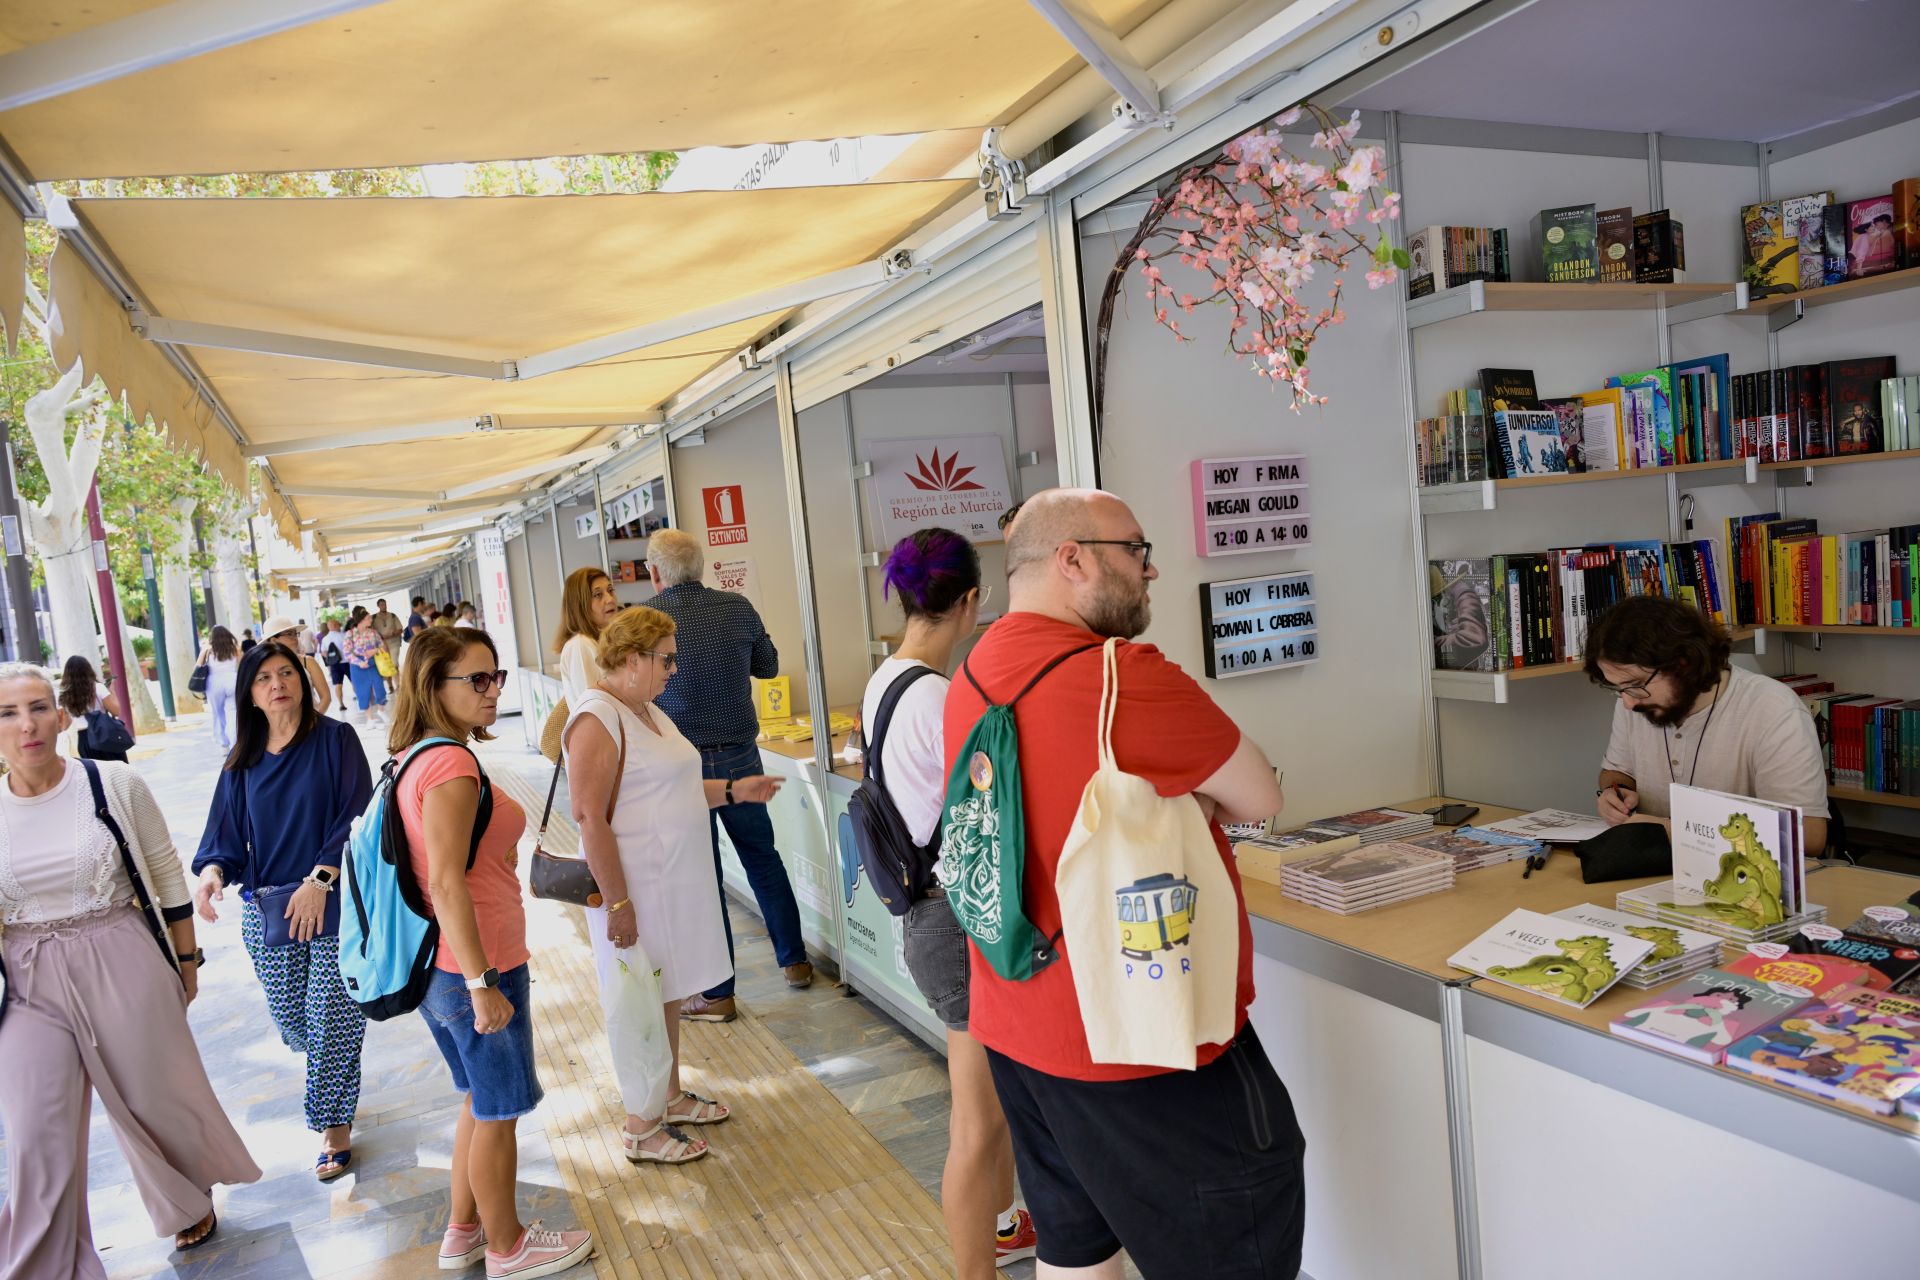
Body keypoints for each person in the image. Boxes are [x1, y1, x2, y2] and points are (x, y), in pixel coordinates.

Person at [945, 488, 1297, 1280]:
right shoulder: (1120, 675)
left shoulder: (974, 668)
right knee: (1246, 1217)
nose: (1153, 570)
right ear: (1072, 558)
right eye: (1136, 551)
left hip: (1018, 1019)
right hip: (1141, 1031)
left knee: (1076, 1245)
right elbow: (1261, 796)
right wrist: (1186, 795)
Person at [0, 663, 260, 1270]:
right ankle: (42, 1264)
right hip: (28, 981)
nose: (27, 724)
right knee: (37, 1133)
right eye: (7, 713)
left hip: (119, 951)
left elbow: (167, 873)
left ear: (62, 715)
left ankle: (187, 1197)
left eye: (38, 707)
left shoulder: (112, 784)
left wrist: (187, 960)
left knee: (155, 1097)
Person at [389, 628, 594, 1278]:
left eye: (495, 676)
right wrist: (483, 982)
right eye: (475, 680)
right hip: (475, 964)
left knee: (479, 1103)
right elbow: (446, 881)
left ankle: (463, 1231)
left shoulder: (418, 756)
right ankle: (508, 1247)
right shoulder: (448, 765)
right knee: (500, 1111)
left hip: (450, 964)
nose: (492, 690)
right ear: (433, 688)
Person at [861, 529, 1036, 1274]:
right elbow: (986, 814)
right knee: (977, 1123)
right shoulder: (941, 696)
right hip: (955, 922)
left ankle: (1006, 1225)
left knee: (989, 1115)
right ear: (971, 601)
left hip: (925, 914)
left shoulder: (885, 679)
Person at [564, 607, 782, 1162]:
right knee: (636, 1001)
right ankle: (641, 1126)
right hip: (634, 889)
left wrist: (736, 791)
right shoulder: (597, 716)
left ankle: (667, 1093)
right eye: (665, 659)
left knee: (666, 991)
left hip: (669, 886)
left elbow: (677, 788)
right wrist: (618, 903)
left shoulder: (647, 711)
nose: (673, 669)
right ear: (631, 659)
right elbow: (589, 817)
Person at [191, 641, 373, 1182]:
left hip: (334, 903)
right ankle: (330, 1078)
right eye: (264, 677)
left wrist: (319, 880)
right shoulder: (240, 762)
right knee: (298, 1027)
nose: (278, 684)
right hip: (270, 913)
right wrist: (211, 876)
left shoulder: (336, 740)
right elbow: (221, 836)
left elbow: (355, 817)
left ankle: (332, 1126)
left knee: (330, 1019)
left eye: (287, 672)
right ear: (250, 692)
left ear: (302, 678)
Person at [645, 527, 810, 1022]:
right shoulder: (737, 607)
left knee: (704, 876)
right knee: (763, 859)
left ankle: (719, 994)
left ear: (655, 573)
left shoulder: (650, 622)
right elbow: (769, 665)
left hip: (683, 768)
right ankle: (795, 962)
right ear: (701, 567)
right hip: (741, 756)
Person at [1588, 594, 1829, 851]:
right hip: (1653, 871)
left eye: (1634, 685)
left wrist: (1673, 830)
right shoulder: (1637, 702)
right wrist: (1616, 792)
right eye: (1617, 688)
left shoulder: (1772, 709)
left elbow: (1809, 838)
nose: (1627, 702)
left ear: (1682, 664)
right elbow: (1617, 771)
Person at [553, 566, 620, 708]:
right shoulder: (580, 645)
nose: (610, 599)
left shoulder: (606, 640)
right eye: (598, 595)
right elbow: (593, 707)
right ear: (580, 605)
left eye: (610, 590)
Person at [58, 654, 127, 763]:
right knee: (118, 773)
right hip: (104, 734)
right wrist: (112, 691)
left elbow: (65, 725)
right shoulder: (98, 688)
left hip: (84, 740)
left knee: (95, 775)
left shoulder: (66, 695)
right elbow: (116, 711)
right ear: (88, 670)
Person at [262, 614, 333, 715]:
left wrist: (313, 721)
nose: (295, 638)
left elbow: (326, 697)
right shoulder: (262, 667)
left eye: (295, 634)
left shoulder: (308, 662)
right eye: (289, 634)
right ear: (274, 640)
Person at [197, 625, 242, 751]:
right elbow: (242, 664)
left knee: (218, 713)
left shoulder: (208, 650)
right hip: (232, 681)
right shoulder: (235, 649)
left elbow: (198, 665)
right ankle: (235, 742)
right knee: (233, 713)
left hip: (214, 682)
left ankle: (224, 743)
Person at [345, 612, 390, 725]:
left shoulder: (373, 633)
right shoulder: (350, 634)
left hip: (373, 664)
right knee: (363, 692)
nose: (371, 619)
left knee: (380, 688)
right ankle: (369, 719)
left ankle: (381, 710)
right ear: (361, 620)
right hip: (357, 667)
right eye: (368, 618)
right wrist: (359, 662)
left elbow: (382, 646)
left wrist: (374, 651)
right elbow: (347, 652)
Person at [319, 619, 350, 713]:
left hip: (335, 665)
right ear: (336, 626)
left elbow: (323, 653)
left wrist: (332, 657)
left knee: (338, 684)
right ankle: (359, 698)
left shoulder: (325, 638)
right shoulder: (344, 635)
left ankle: (341, 704)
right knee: (354, 682)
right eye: (338, 624)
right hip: (346, 662)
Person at [371, 599, 403, 688]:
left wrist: (392, 633)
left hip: (394, 643)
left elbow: (400, 629)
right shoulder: (373, 618)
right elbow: (370, 632)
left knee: (394, 663)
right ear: (378, 606)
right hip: (381, 645)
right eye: (381, 605)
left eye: (385, 604)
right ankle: (390, 685)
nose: (384, 606)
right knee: (386, 664)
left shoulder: (392, 616)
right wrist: (380, 636)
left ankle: (398, 684)